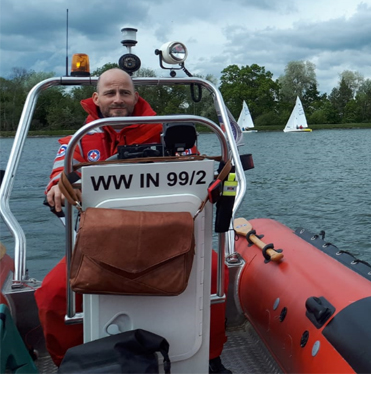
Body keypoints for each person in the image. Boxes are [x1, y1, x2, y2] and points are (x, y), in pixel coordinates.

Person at [35, 68, 231, 373]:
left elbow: (204, 180)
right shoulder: (77, 142)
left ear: (136, 96)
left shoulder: (172, 136)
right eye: (110, 93)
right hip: (100, 240)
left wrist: (204, 171)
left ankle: (209, 358)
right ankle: (70, 365)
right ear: (96, 98)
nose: (118, 99)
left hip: (170, 235)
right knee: (53, 294)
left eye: (125, 92)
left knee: (216, 272)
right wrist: (59, 190)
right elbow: (55, 183)